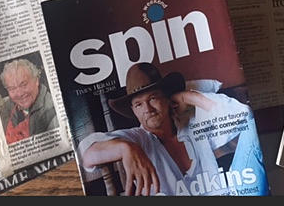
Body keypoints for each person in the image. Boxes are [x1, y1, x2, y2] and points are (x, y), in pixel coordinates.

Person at [78, 63, 268, 196]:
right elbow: (86, 155)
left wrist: (188, 97)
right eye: (138, 104)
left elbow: (244, 116)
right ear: (133, 111)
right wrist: (125, 148)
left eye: (153, 98)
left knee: (251, 126)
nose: (148, 109)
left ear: (168, 99)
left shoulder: (192, 124)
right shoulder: (137, 139)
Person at [0, 58, 58, 144]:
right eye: (12, 88)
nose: (19, 94)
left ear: (36, 81)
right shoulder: (7, 107)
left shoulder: (52, 110)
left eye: (24, 84)